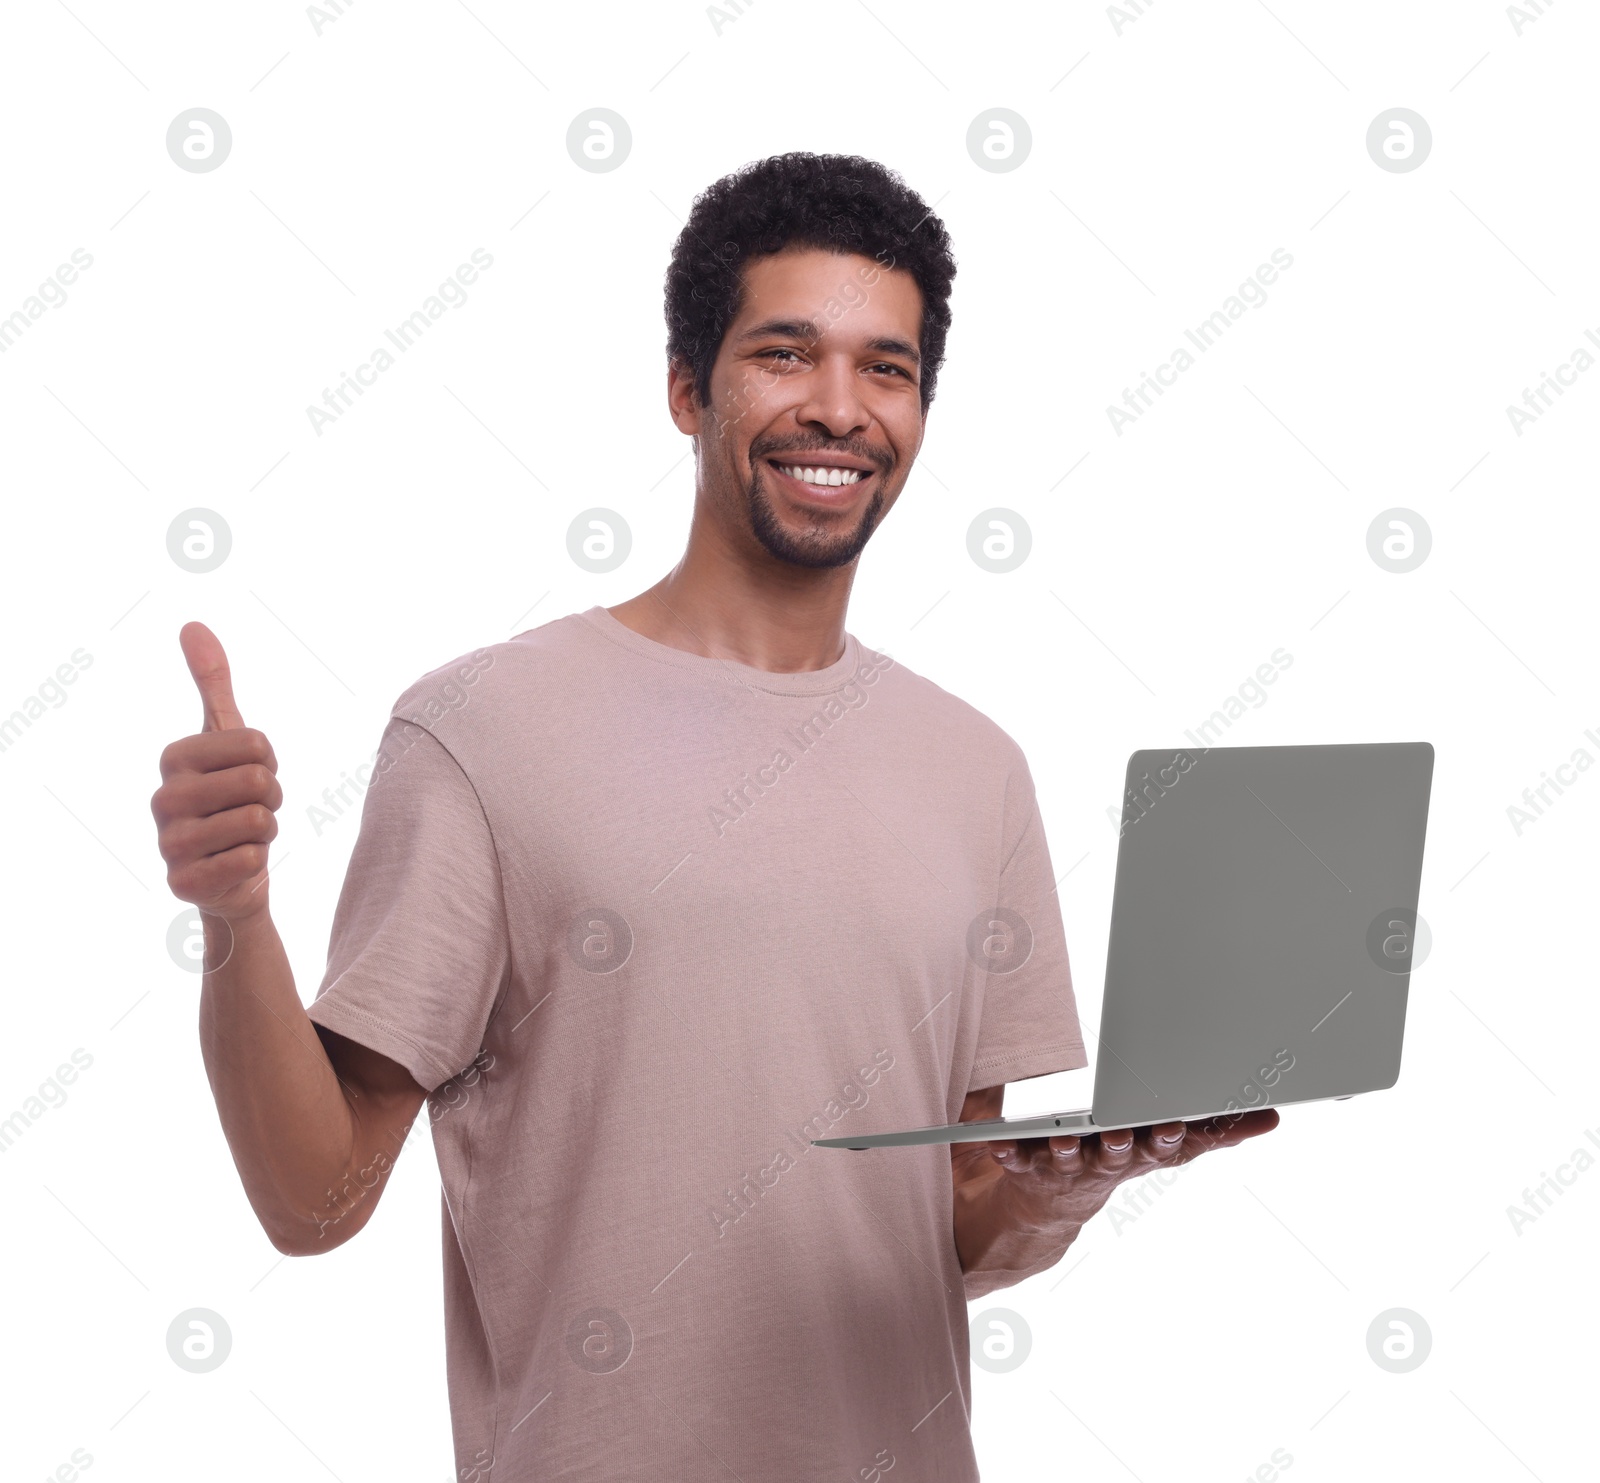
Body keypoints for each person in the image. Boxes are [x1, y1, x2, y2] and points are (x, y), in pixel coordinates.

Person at [151, 152, 1275, 1483]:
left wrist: (1058, 1191)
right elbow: (313, 1200)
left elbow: (955, 1229)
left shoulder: (977, 770)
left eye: (888, 369)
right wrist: (236, 924)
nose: (840, 410)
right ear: (688, 390)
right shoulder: (481, 732)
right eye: (786, 354)